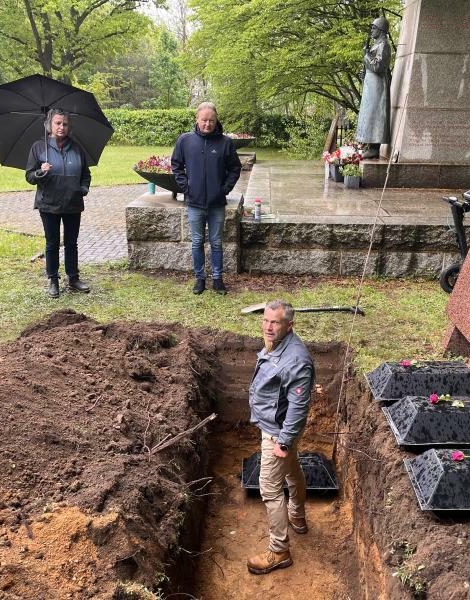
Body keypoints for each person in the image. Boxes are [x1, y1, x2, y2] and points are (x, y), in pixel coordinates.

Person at [247, 299, 315, 575]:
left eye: (275, 322)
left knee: (270, 487)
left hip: (278, 431)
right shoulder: (278, 344)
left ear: (290, 325)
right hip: (278, 426)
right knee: (291, 470)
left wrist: (284, 441)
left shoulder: (296, 359)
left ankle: (279, 550)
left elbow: (299, 405)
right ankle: (297, 515)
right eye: (265, 320)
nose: (268, 327)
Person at [171, 102, 241, 295]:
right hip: (194, 203)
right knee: (197, 242)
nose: (207, 124)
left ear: (216, 120)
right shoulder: (185, 141)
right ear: (197, 119)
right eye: (204, 120)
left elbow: (235, 168)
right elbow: (176, 165)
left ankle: (218, 279)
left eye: (211, 120)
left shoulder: (225, 143)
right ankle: (200, 279)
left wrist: (224, 189)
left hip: (217, 203)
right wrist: (186, 187)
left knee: (217, 242)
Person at [25, 108, 92, 298]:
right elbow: (29, 176)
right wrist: (40, 172)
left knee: (72, 243)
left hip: (73, 203)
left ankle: (73, 278)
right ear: (49, 125)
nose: (61, 127)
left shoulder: (77, 148)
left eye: (64, 124)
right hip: (49, 204)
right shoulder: (39, 147)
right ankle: (53, 280)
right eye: (57, 123)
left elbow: (86, 175)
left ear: (69, 126)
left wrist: (83, 189)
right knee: (52, 243)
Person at [356, 16, 391, 158]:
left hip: (377, 87)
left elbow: (378, 66)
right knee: (369, 114)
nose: (371, 30)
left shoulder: (384, 45)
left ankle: (374, 147)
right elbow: (372, 66)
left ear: (381, 30)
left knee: (375, 114)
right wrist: (364, 73)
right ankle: (370, 146)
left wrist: (366, 55)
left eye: (374, 27)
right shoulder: (376, 45)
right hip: (371, 85)